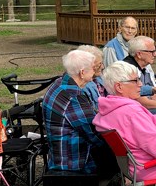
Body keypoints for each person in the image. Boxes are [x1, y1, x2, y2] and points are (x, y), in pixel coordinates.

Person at [42, 49, 116, 177]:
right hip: (74, 160)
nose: (96, 72)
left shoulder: (59, 83)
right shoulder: (74, 96)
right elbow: (93, 132)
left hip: (57, 154)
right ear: (82, 72)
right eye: (93, 68)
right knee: (121, 150)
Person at [77, 45, 106, 111]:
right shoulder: (82, 86)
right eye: (99, 65)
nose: (102, 67)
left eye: (102, 63)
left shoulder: (98, 77)